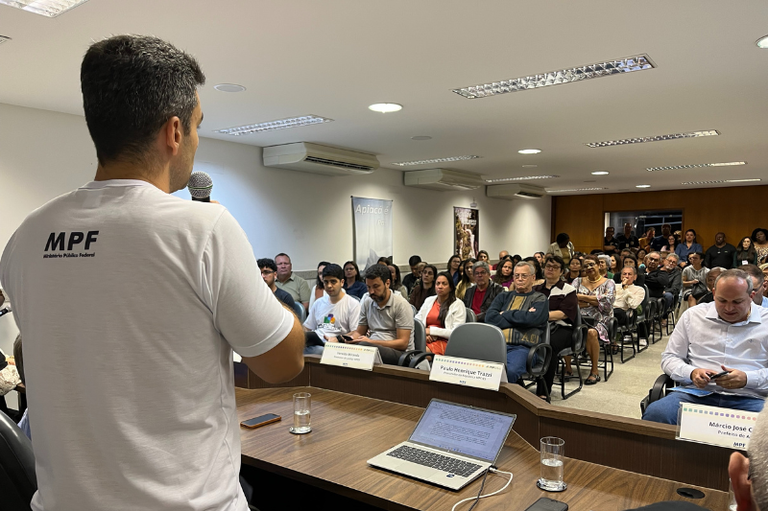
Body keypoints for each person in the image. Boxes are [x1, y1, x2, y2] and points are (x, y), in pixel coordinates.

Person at [0, 35, 305, 511]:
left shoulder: (26, 236)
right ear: (175, 131)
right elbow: (284, 363)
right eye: (199, 126)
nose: (197, 141)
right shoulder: (203, 228)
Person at [642, 269, 768, 425]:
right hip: (695, 393)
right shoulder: (693, 316)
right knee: (657, 414)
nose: (728, 308)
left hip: (750, 397)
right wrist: (692, 372)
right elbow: (670, 358)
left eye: (737, 302)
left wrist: (747, 379)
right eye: (722, 300)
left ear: (751, 296)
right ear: (713, 293)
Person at [486, 262, 550, 384]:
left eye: (524, 276)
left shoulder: (540, 298)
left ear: (533, 278)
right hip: (497, 345)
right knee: (477, 368)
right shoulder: (503, 296)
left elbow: (533, 319)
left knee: (508, 372)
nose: (520, 279)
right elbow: (490, 318)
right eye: (516, 276)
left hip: (523, 348)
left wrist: (505, 313)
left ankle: (505, 401)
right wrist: (523, 316)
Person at [534, 255, 578, 398]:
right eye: (548, 266)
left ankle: (543, 391)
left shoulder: (568, 290)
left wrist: (540, 315)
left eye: (555, 268)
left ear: (561, 271)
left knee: (548, 346)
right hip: (536, 326)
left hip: (561, 329)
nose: (550, 269)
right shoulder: (536, 289)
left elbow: (563, 314)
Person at [350, 265, 414, 364]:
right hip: (371, 346)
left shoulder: (401, 304)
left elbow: (403, 343)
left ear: (387, 283)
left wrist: (371, 342)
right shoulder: (367, 302)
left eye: (376, 286)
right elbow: (359, 332)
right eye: (368, 287)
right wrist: (344, 339)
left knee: (364, 348)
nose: (371, 292)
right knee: (345, 347)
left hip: (400, 354)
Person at [572, 255, 616, 384]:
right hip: (578, 317)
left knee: (591, 332)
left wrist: (581, 297)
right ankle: (568, 369)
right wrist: (595, 301)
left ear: (598, 265)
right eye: (585, 266)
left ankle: (594, 371)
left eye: (592, 264)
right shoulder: (577, 281)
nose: (589, 268)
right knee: (564, 329)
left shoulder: (609, 282)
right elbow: (571, 300)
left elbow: (607, 303)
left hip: (601, 319)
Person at [303, 264, 361, 355]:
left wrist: (338, 338)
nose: (329, 286)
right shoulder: (318, 303)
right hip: (316, 344)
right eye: (326, 282)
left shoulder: (353, 304)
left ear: (342, 282)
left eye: (333, 282)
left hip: (337, 346)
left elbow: (356, 332)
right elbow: (307, 327)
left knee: (319, 351)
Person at [415, 271, 466, 355]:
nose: (440, 286)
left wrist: (431, 331)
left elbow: (456, 333)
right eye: (437, 284)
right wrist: (424, 334)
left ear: (450, 287)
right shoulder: (429, 300)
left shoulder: (458, 304)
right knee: (408, 348)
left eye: (444, 284)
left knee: (419, 355)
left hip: (446, 341)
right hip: (425, 338)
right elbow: (417, 321)